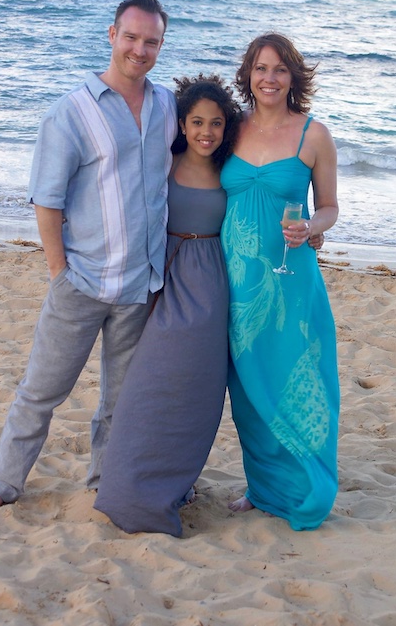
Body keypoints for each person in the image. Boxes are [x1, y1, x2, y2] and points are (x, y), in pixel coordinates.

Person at [0, 0, 178, 508]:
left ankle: (104, 482)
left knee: (121, 402)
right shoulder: (70, 112)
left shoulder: (166, 106)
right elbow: (47, 200)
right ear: (112, 36)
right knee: (41, 391)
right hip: (82, 283)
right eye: (131, 37)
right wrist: (58, 271)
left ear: (161, 45)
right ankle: (4, 484)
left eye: (151, 40)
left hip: (141, 287)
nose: (140, 49)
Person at [93, 74, 241, 536]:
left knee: (196, 392)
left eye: (216, 123)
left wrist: (310, 229)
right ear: (181, 123)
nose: (206, 132)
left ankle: (179, 483)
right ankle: (130, 487)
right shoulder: (163, 159)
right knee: (147, 386)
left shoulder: (231, 168)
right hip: (162, 276)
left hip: (211, 283)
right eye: (197, 121)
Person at [220, 32, 340, 531]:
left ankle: (307, 484)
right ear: (248, 74)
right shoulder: (229, 129)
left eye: (280, 69)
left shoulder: (314, 135)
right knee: (247, 388)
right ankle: (262, 487)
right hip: (232, 278)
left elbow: (330, 207)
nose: (269, 78)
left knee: (299, 376)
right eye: (261, 68)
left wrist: (312, 227)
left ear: (294, 77)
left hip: (291, 280)